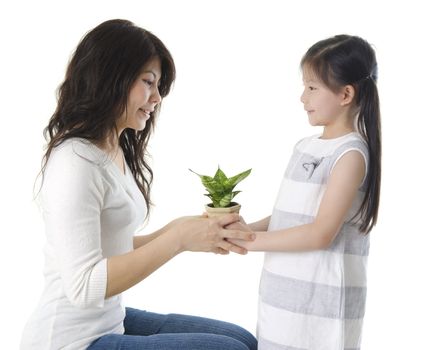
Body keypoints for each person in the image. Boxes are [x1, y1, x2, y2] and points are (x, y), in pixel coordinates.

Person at [20, 19, 257, 350]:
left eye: (159, 86)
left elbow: (112, 245)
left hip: (108, 321)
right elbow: (84, 285)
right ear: (111, 78)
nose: (157, 98)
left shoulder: (112, 148)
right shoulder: (74, 162)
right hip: (70, 340)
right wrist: (177, 240)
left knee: (242, 339)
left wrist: (184, 229)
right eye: (149, 82)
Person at [229, 35, 381, 349]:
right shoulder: (305, 147)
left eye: (312, 87)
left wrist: (250, 241)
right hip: (282, 301)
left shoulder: (350, 155)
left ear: (346, 94)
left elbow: (320, 233)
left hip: (321, 313)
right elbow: (289, 217)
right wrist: (244, 228)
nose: (302, 97)